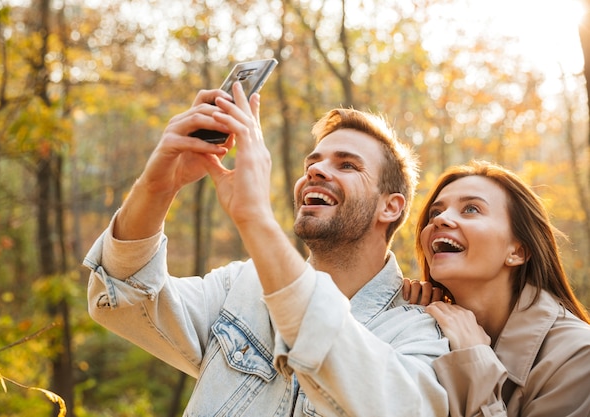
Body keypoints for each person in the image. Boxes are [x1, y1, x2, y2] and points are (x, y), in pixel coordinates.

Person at [83, 82, 450, 416]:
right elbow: (122, 296)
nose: (317, 171)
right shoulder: (241, 286)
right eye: (313, 162)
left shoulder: (421, 332)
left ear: (391, 207)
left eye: (347, 165)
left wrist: (256, 218)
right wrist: (158, 184)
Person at [410, 160, 590, 417]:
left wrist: (474, 364)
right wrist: (406, 321)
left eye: (471, 209)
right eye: (435, 213)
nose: (441, 220)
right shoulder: (424, 329)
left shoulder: (578, 358)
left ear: (517, 251)